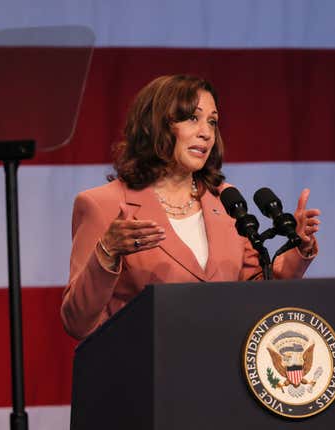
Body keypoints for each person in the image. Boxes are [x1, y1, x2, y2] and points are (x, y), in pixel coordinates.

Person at [61, 75, 320, 340]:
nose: (206, 133)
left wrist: (291, 259)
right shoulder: (102, 205)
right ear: (156, 124)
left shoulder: (226, 203)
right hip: (145, 374)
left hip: (221, 371)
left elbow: (252, 297)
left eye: (212, 121)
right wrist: (107, 252)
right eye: (192, 118)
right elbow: (77, 322)